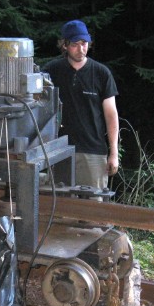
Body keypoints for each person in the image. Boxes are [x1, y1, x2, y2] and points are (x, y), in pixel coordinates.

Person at [42, 20, 120, 192]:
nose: (81, 49)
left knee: (93, 210)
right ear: (65, 45)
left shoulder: (101, 73)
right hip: (59, 151)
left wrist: (114, 153)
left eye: (84, 43)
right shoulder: (51, 71)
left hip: (93, 152)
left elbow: (111, 115)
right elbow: (38, 108)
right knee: (60, 208)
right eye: (75, 44)